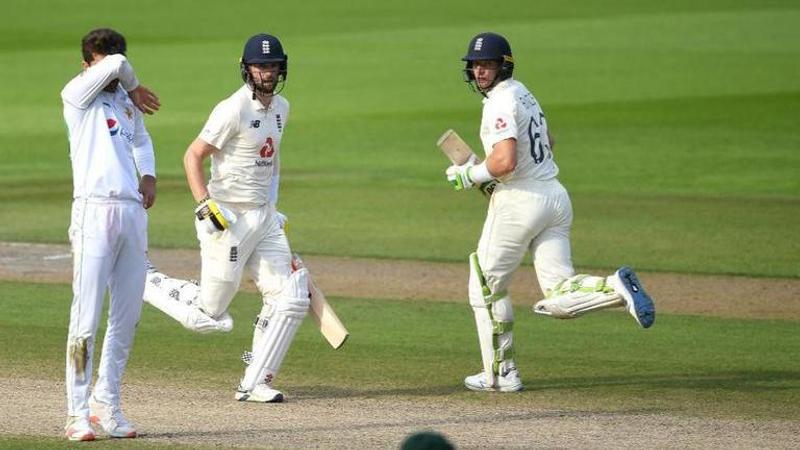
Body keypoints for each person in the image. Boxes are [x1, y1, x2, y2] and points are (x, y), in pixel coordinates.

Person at [445, 32, 656, 393]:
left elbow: (505, 161)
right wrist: (494, 169)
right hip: (555, 197)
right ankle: (614, 288)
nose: (480, 71)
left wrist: (469, 174)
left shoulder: (498, 102)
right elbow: (548, 142)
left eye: (488, 64)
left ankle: (502, 374)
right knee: (559, 289)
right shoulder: (524, 93)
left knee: (485, 286)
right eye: (476, 65)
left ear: (503, 66)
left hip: (520, 201)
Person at [142, 33, 308, 404]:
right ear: (247, 69)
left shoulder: (282, 107)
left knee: (290, 296)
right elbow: (193, 155)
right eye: (261, 66)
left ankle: (256, 381)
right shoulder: (232, 109)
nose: (268, 72)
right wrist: (204, 204)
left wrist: (273, 206)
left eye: (273, 65)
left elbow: (272, 160)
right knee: (210, 316)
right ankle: (144, 279)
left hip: (262, 217)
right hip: (227, 220)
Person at [61, 28, 161, 441]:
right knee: (85, 319)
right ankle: (76, 413)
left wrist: (149, 175)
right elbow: (118, 65)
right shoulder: (76, 95)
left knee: (126, 318)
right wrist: (132, 84)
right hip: (94, 211)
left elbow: (141, 140)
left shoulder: (125, 100)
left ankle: (107, 403)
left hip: (131, 213)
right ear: (88, 65)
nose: (112, 66)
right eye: (101, 61)